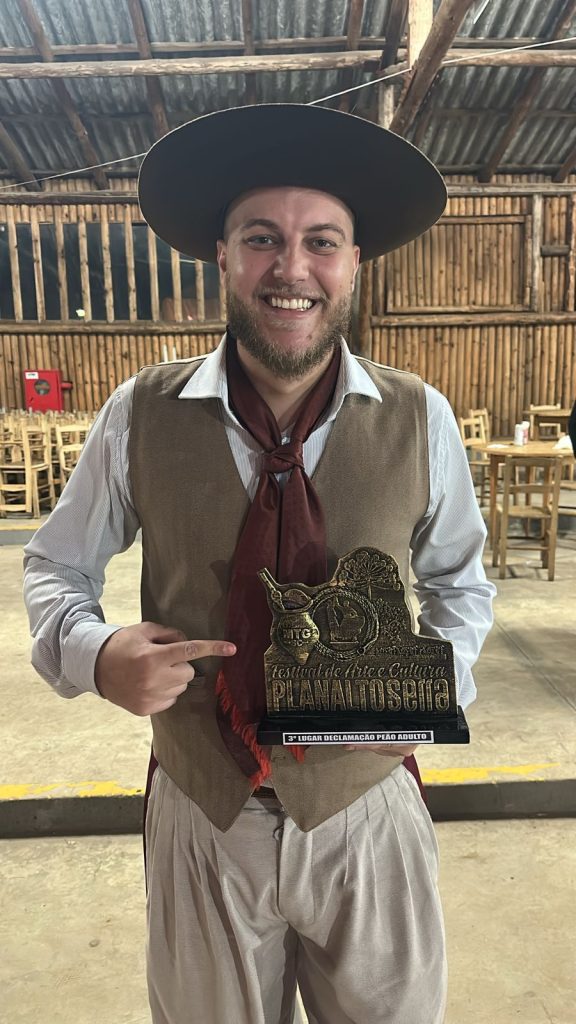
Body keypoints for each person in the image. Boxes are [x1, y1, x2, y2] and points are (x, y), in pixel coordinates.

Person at [24, 104, 495, 1024]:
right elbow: (55, 566)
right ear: (223, 257)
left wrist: (433, 693)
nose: (292, 269)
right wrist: (96, 654)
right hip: (202, 810)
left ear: (354, 262)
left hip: (366, 808)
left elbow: (459, 581)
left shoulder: (420, 416)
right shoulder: (139, 413)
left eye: (322, 241)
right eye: (262, 239)